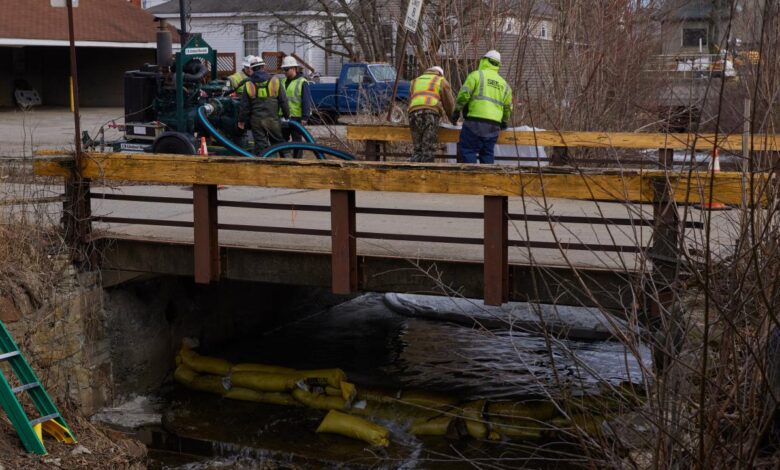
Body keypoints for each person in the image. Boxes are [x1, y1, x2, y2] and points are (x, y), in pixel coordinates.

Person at [451, 50, 512, 164]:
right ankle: (486, 180)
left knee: (468, 150)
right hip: (493, 126)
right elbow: (507, 107)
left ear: (484, 60)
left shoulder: (476, 76)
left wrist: (456, 111)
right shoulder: (505, 85)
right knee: (487, 153)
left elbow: (463, 96)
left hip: (475, 122)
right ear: (498, 65)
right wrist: (504, 121)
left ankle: (471, 179)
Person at [238, 58, 290, 155]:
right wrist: (287, 116)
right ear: (263, 67)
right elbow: (283, 101)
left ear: (252, 69)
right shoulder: (275, 81)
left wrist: (241, 120)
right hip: (272, 120)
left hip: (256, 121)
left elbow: (245, 106)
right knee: (279, 144)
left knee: (261, 146)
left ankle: (262, 165)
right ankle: (287, 164)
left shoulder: (248, 84)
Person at [407, 66, 456, 163]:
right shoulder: (441, 80)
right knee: (428, 150)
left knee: (417, 149)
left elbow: (411, 99)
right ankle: (426, 175)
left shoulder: (415, 81)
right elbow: (448, 104)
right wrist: (453, 120)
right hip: (430, 114)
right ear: (440, 73)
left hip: (413, 114)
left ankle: (413, 174)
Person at [280, 56, 313, 158]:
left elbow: (306, 100)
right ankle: (284, 159)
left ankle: (297, 160)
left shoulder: (302, 82)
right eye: (283, 69)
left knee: (297, 141)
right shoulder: (282, 82)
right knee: (282, 140)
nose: (284, 71)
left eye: (286, 69)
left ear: (294, 68)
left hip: (296, 117)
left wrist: (305, 117)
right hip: (284, 116)